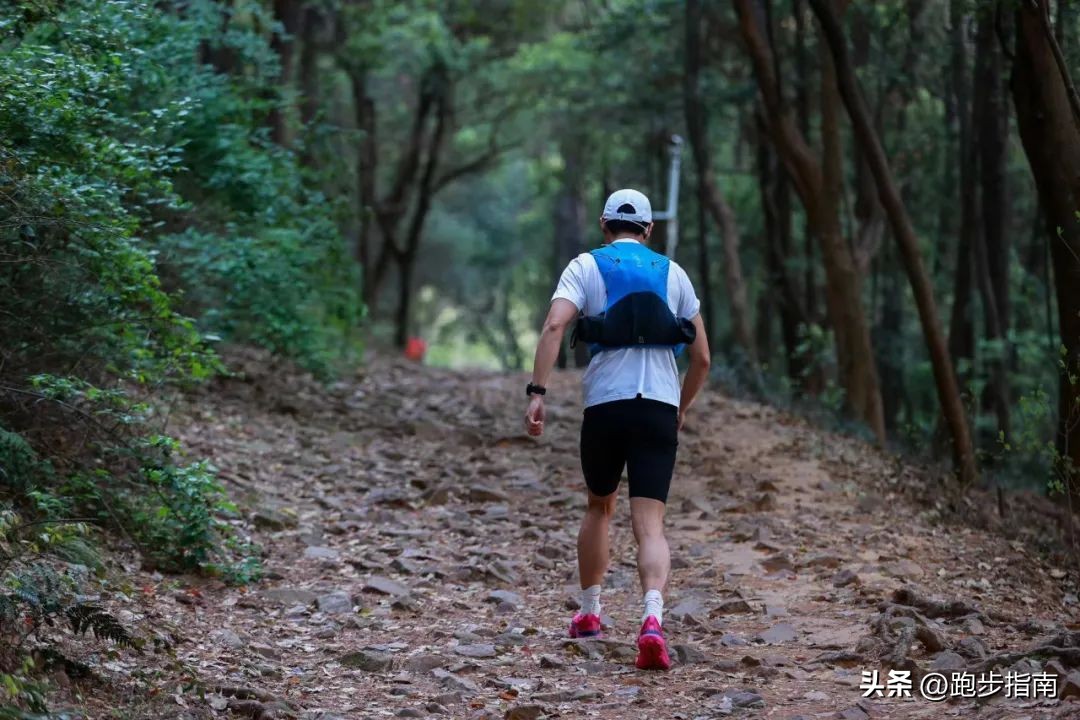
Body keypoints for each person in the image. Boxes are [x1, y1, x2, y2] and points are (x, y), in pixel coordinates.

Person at [523, 188, 711, 671]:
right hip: (658, 409)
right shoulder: (674, 273)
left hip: (606, 406)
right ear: (649, 230)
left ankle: (589, 614)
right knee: (650, 523)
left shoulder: (585, 266)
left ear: (605, 227)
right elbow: (703, 357)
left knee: (599, 506)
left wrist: (538, 392)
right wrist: (681, 407)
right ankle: (651, 620)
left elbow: (553, 327)